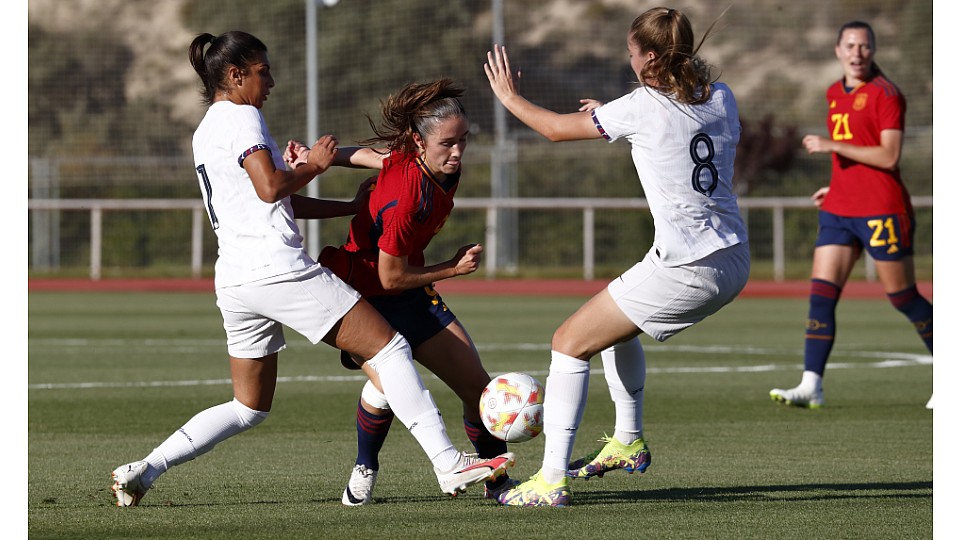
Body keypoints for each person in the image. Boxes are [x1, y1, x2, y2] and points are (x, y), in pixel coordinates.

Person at [108, 31, 514, 508]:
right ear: (235, 75)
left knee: (248, 408)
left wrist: (345, 206)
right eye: (263, 71)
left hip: (235, 280)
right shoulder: (243, 118)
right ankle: (447, 462)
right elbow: (271, 187)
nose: (271, 80)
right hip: (276, 269)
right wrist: (317, 163)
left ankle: (145, 469)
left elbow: (276, 199)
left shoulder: (205, 131)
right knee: (390, 349)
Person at [482, 6, 750, 507]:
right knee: (613, 324)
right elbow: (676, 124)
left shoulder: (642, 105)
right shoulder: (721, 96)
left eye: (631, 53)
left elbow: (558, 130)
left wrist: (509, 97)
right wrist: (619, 113)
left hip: (688, 267)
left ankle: (550, 481)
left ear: (649, 57)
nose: (628, 60)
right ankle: (628, 442)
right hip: (733, 255)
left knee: (568, 343)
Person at [284, 79, 517, 506]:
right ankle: (366, 465)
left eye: (464, 140)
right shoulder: (407, 197)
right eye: (448, 143)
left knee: (478, 389)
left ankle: (498, 483)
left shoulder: (424, 160)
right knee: (391, 385)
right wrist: (454, 268)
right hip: (362, 295)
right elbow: (389, 278)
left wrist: (323, 158)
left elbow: (372, 155)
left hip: (408, 291)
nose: (458, 152)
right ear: (419, 140)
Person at [769, 21, 933, 409]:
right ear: (837, 50)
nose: (858, 52)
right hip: (840, 209)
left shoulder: (886, 94)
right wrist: (837, 186)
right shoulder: (832, 92)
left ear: (873, 50)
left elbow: (888, 156)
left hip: (881, 208)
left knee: (903, 297)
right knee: (822, 295)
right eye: (851, 45)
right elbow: (854, 156)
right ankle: (812, 384)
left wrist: (832, 146)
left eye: (865, 46)